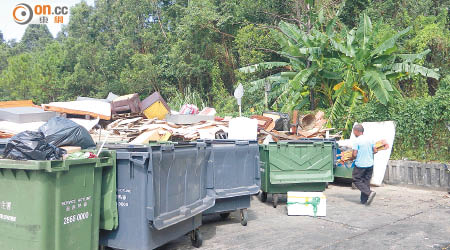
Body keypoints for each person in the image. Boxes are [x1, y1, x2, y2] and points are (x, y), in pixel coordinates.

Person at [352, 124, 378, 205]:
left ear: (357, 131)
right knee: (366, 181)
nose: (353, 133)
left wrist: (352, 156)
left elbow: (354, 154)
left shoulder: (357, 140)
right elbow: (375, 151)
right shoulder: (370, 139)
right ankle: (364, 200)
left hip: (360, 164)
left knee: (356, 179)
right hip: (370, 164)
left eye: (354, 131)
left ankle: (369, 193)